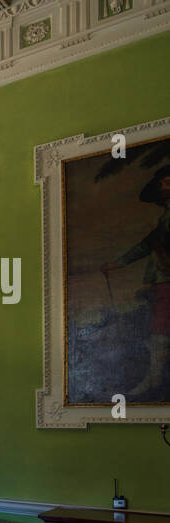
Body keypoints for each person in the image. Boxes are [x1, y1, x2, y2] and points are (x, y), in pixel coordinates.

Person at [99, 164, 170, 400]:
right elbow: (145, 246)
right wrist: (116, 263)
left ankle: (155, 379)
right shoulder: (165, 219)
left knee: (160, 329)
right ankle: (156, 377)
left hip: (166, 281)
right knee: (158, 328)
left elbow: (149, 245)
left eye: (167, 181)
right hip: (162, 281)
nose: (162, 185)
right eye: (162, 182)